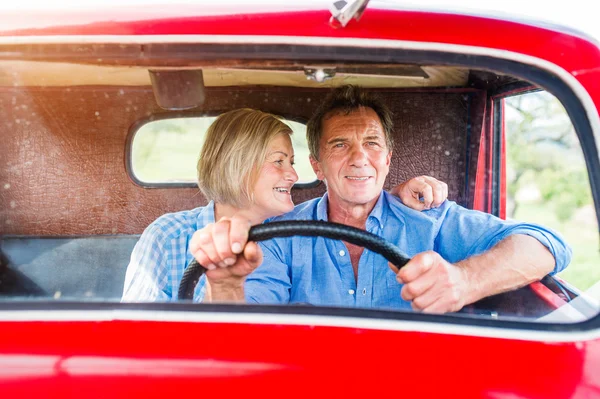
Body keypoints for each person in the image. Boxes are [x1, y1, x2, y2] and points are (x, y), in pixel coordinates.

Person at [192, 86, 572, 313]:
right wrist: (225, 287)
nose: (359, 157)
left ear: (387, 160)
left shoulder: (430, 218)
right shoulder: (276, 236)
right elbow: (245, 328)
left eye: (372, 143)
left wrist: (464, 281)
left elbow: (548, 245)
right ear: (318, 165)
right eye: (340, 144)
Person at [122, 108, 448, 302]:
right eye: (279, 161)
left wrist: (394, 197)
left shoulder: (294, 236)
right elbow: (132, 344)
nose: (292, 174)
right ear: (238, 165)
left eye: (291, 161)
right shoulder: (168, 235)